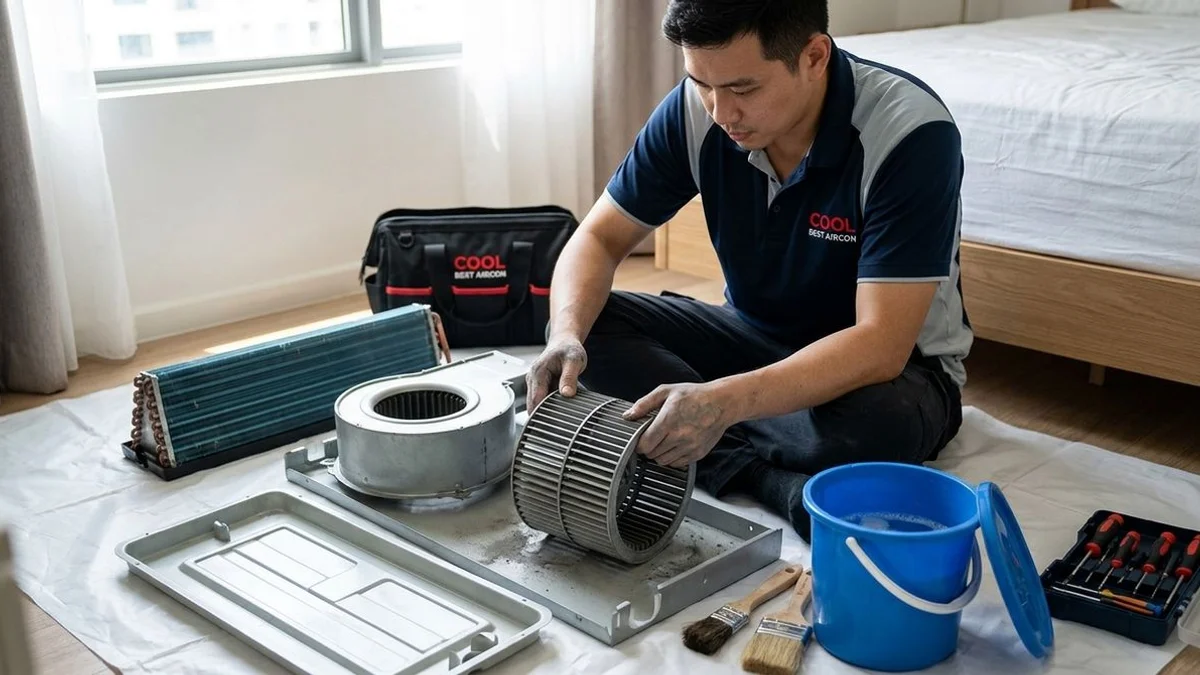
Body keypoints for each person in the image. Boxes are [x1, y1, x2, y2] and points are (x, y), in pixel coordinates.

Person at [525, 0, 972, 541]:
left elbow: (881, 345)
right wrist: (568, 335)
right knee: (582, 331)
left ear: (814, 56)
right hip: (752, 336)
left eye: (743, 89)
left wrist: (722, 402)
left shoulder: (909, 132)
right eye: (701, 84)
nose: (719, 112)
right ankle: (767, 481)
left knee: (872, 430)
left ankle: (708, 440)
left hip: (890, 372)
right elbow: (596, 238)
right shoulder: (698, 110)